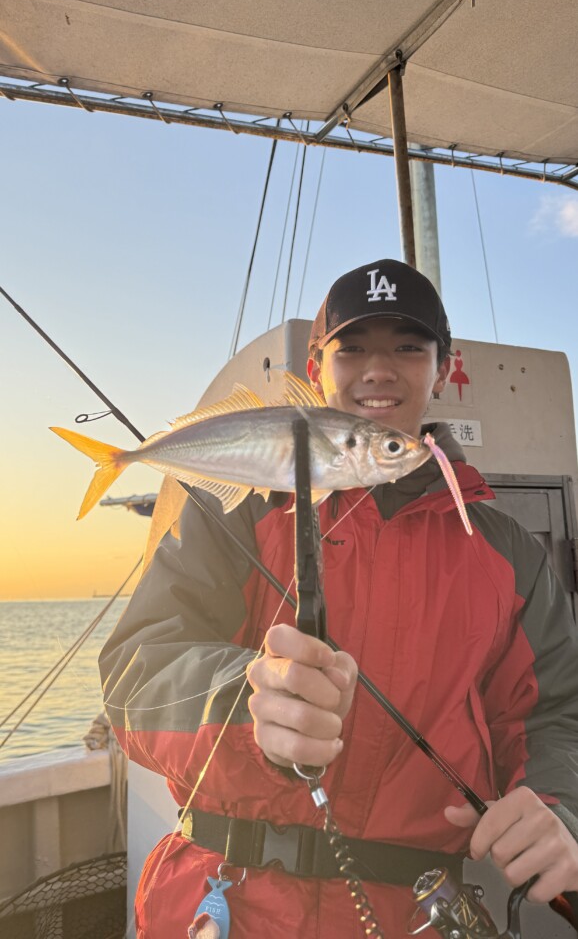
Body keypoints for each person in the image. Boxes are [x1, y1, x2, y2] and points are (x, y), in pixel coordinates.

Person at [100, 259, 578, 938]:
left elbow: (555, 713)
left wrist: (558, 807)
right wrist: (247, 705)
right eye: (351, 348)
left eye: (408, 347)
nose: (378, 370)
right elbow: (132, 679)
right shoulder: (230, 511)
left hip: (415, 913)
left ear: (443, 369)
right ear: (315, 366)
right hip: (225, 903)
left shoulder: (509, 552)